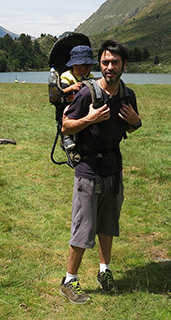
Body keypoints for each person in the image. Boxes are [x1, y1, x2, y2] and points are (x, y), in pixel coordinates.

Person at [59, 40, 142, 304]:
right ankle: (69, 280)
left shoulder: (127, 95)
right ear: (101, 64)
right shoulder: (87, 93)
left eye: (115, 62)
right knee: (84, 227)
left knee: (108, 224)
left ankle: (104, 271)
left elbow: (131, 126)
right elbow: (66, 126)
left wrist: (136, 123)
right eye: (105, 62)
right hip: (88, 169)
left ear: (123, 65)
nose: (109, 67)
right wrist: (89, 120)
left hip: (113, 169)